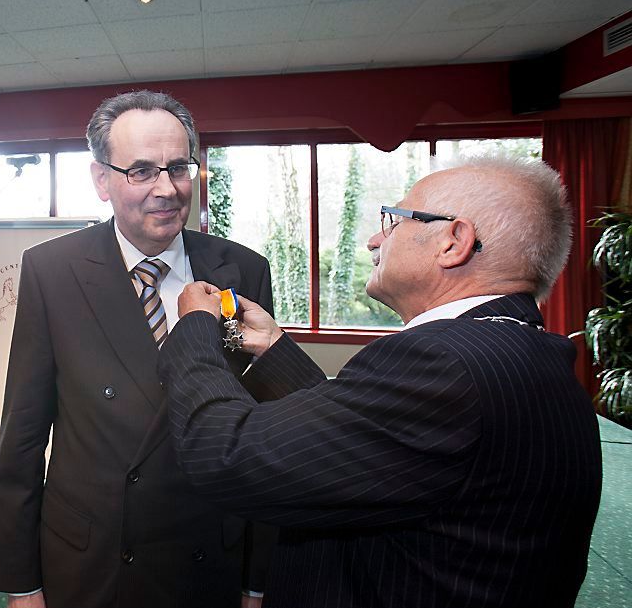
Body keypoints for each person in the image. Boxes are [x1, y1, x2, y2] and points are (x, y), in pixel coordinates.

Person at [159, 155, 603, 608]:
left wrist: (195, 326)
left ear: (454, 242)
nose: (374, 240)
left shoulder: (444, 365)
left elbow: (226, 455)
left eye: (393, 222)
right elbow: (367, 445)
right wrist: (275, 348)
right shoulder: (518, 351)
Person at [0, 90, 275, 608]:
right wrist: (21, 582)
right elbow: (23, 436)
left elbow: (264, 439)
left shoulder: (244, 270)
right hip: (94, 559)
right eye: (141, 171)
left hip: (208, 554)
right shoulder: (52, 271)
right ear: (102, 179)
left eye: (178, 168)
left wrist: (257, 580)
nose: (165, 189)